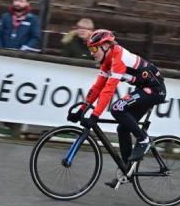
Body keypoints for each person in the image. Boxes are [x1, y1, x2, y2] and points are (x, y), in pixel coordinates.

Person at [68, 29, 166, 189]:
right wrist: (82, 109)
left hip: (155, 89)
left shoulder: (118, 57)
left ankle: (144, 140)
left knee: (117, 108)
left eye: (94, 48)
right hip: (143, 88)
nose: (91, 52)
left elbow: (109, 90)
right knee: (122, 128)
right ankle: (127, 170)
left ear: (106, 46)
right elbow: (98, 87)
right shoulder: (106, 61)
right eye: (89, 49)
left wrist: (95, 115)